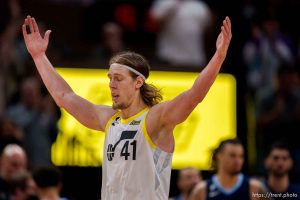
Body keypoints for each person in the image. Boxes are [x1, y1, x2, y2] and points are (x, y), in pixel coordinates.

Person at [22, 15, 232, 200]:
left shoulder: (155, 118)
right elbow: (64, 96)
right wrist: (40, 57)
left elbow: (194, 95)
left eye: (119, 79)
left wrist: (219, 56)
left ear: (138, 82)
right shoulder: (109, 119)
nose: (111, 84)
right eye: (110, 78)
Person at [190, 138, 269, 200]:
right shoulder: (202, 190)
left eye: (241, 156)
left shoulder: (254, 187)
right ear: (218, 156)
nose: (237, 161)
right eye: (232, 155)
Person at [151, 0, 213, 68]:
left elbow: (209, 29)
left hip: (194, 60)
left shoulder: (200, 6)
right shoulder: (164, 2)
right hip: (168, 59)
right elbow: (154, 20)